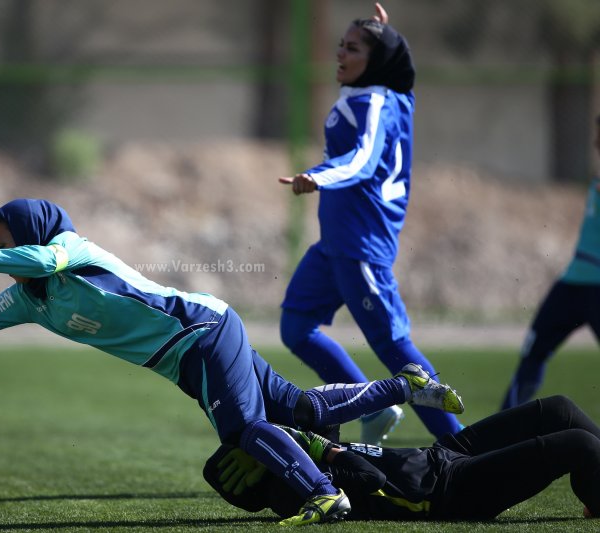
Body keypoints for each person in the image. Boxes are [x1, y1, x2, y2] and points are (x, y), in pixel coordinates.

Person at [0, 198, 464, 527]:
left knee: (245, 432)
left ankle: (324, 496)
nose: (4, 253)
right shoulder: (25, 302)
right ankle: (403, 387)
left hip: (203, 330)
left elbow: (44, 261)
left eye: (7, 242)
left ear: (32, 232)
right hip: (187, 359)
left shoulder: (67, 248)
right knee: (296, 408)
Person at [277, 2, 460, 444]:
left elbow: (362, 160)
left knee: (395, 350)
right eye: (340, 45)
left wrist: (317, 176)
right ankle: (375, 408)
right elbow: (400, 72)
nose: (340, 54)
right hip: (335, 245)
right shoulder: (383, 92)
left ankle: (462, 445)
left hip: (361, 246)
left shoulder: (377, 99)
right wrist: (385, 37)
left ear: (376, 61)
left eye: (353, 48)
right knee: (296, 327)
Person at [205, 395, 600, 521]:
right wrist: (315, 445)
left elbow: (315, 411)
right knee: (580, 444)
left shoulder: (291, 465)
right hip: (451, 491)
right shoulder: (294, 494)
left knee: (559, 410)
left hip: (440, 455)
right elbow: (369, 479)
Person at [501, 117, 600, 409]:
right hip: (571, 286)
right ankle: (500, 429)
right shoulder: (595, 181)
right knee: (533, 354)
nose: (595, 143)